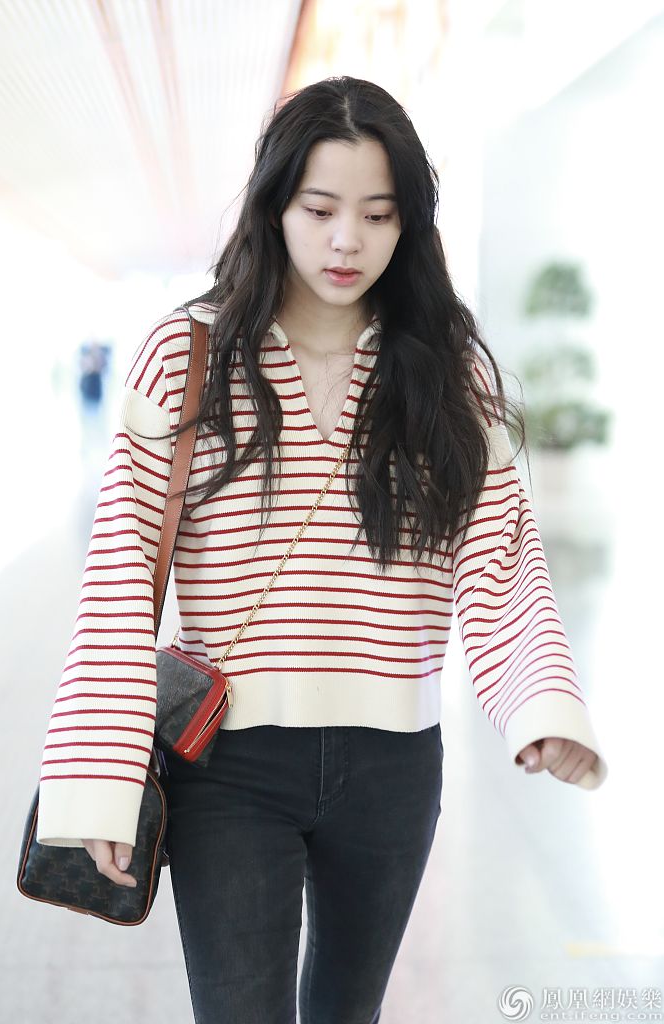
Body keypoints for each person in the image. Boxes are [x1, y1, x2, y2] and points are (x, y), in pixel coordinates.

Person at [36, 76, 607, 1023]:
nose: (347, 241)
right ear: (274, 206)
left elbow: (499, 557)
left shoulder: (449, 372)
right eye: (320, 209)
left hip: (393, 765)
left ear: (408, 224)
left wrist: (539, 705)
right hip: (227, 764)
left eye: (378, 215)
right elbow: (119, 577)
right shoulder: (185, 356)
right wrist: (100, 775)